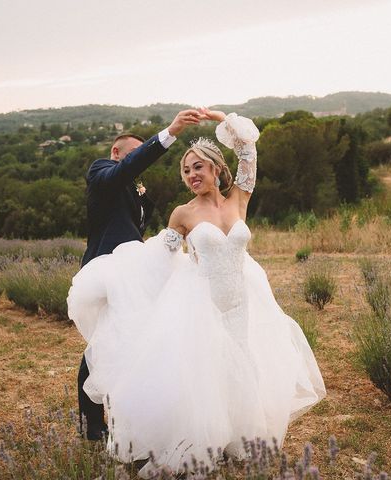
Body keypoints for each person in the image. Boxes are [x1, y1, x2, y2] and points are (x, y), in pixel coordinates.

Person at [67, 109, 326, 474]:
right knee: (205, 370)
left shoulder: (239, 199)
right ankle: (202, 440)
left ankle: (236, 435)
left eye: (198, 168)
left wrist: (224, 117)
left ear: (217, 170)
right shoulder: (182, 214)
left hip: (241, 297)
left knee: (240, 363)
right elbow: (160, 256)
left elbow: (249, 152)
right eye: (186, 170)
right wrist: (121, 276)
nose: (191, 175)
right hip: (201, 300)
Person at [77, 109, 202, 440]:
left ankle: (135, 415)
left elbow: (136, 227)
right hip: (105, 270)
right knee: (102, 343)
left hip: (135, 270)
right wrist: (168, 133)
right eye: (134, 154)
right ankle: (92, 423)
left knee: (135, 340)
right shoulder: (100, 171)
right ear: (116, 153)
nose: (137, 162)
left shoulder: (132, 188)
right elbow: (123, 173)